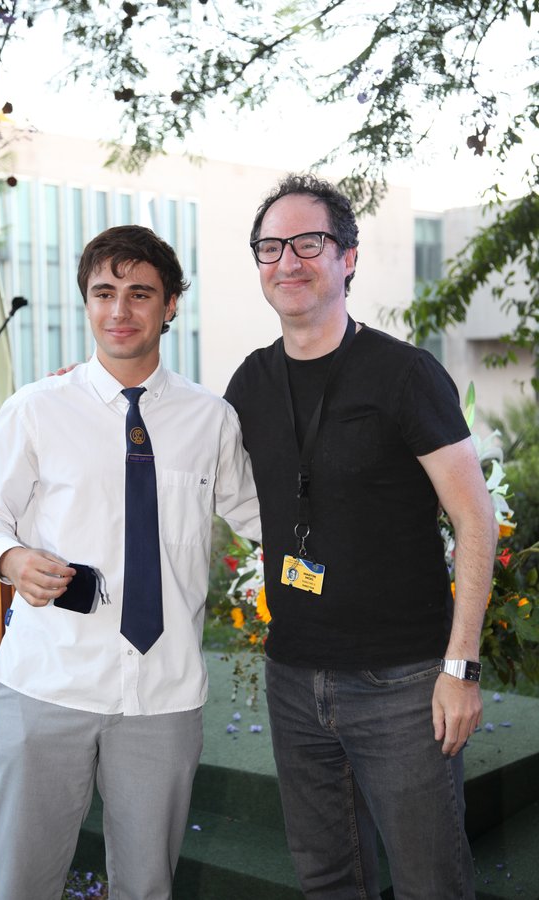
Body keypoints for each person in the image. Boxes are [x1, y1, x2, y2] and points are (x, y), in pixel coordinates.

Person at [0, 224, 260, 900]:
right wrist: (11, 557)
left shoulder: (212, 419)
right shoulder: (36, 408)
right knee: (21, 885)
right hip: (46, 683)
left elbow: (261, 517)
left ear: (170, 305)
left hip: (163, 695)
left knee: (147, 887)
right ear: (86, 301)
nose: (120, 310)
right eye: (103, 293)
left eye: (140, 293)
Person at [224, 173, 498, 899]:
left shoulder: (405, 374)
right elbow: (183, 452)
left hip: (404, 684)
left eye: (308, 242)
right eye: (270, 247)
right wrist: (97, 399)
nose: (288, 260)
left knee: (430, 882)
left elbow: (475, 518)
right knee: (326, 878)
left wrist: (461, 668)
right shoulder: (250, 383)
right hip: (292, 677)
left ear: (347, 257)